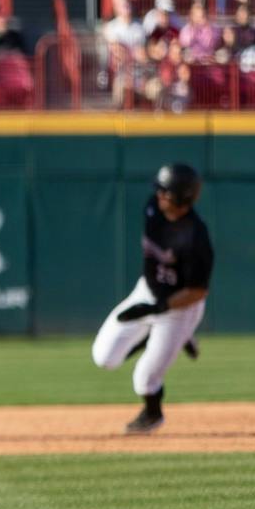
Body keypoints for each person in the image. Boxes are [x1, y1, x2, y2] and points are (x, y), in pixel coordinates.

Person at [92, 164, 211, 434]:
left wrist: (159, 308)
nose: (158, 194)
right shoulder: (153, 208)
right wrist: (149, 303)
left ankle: (152, 414)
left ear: (183, 198)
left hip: (180, 308)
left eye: (165, 191)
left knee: (144, 378)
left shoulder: (196, 237)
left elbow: (198, 291)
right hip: (147, 290)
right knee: (104, 357)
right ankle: (167, 336)